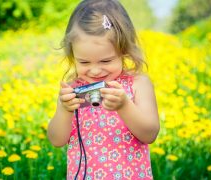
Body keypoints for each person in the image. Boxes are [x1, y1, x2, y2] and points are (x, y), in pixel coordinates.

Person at [47, 0, 160, 179]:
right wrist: (64, 109)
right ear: (73, 56)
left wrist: (124, 106)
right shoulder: (74, 90)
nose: (95, 70)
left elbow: (150, 133)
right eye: (84, 62)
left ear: (124, 51)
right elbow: (56, 140)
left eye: (106, 61)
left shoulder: (138, 84)